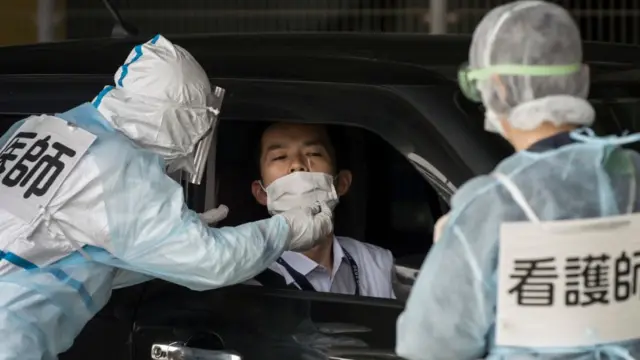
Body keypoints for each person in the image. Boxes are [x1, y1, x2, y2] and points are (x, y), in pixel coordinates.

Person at [0, 35, 333, 359]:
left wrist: (170, 240)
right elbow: (212, 263)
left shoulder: (41, 129)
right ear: (178, 116)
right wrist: (287, 229)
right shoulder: (117, 165)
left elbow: (65, 249)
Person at [396, 1, 640, 359]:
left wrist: (454, 244)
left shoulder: (492, 205)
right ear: (577, 78)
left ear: (499, 87)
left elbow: (429, 345)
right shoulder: (630, 174)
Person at [248, 122, 396, 299]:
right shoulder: (245, 275)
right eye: (280, 157)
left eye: (313, 153)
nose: (297, 165)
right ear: (261, 193)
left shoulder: (377, 264)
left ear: (341, 183)